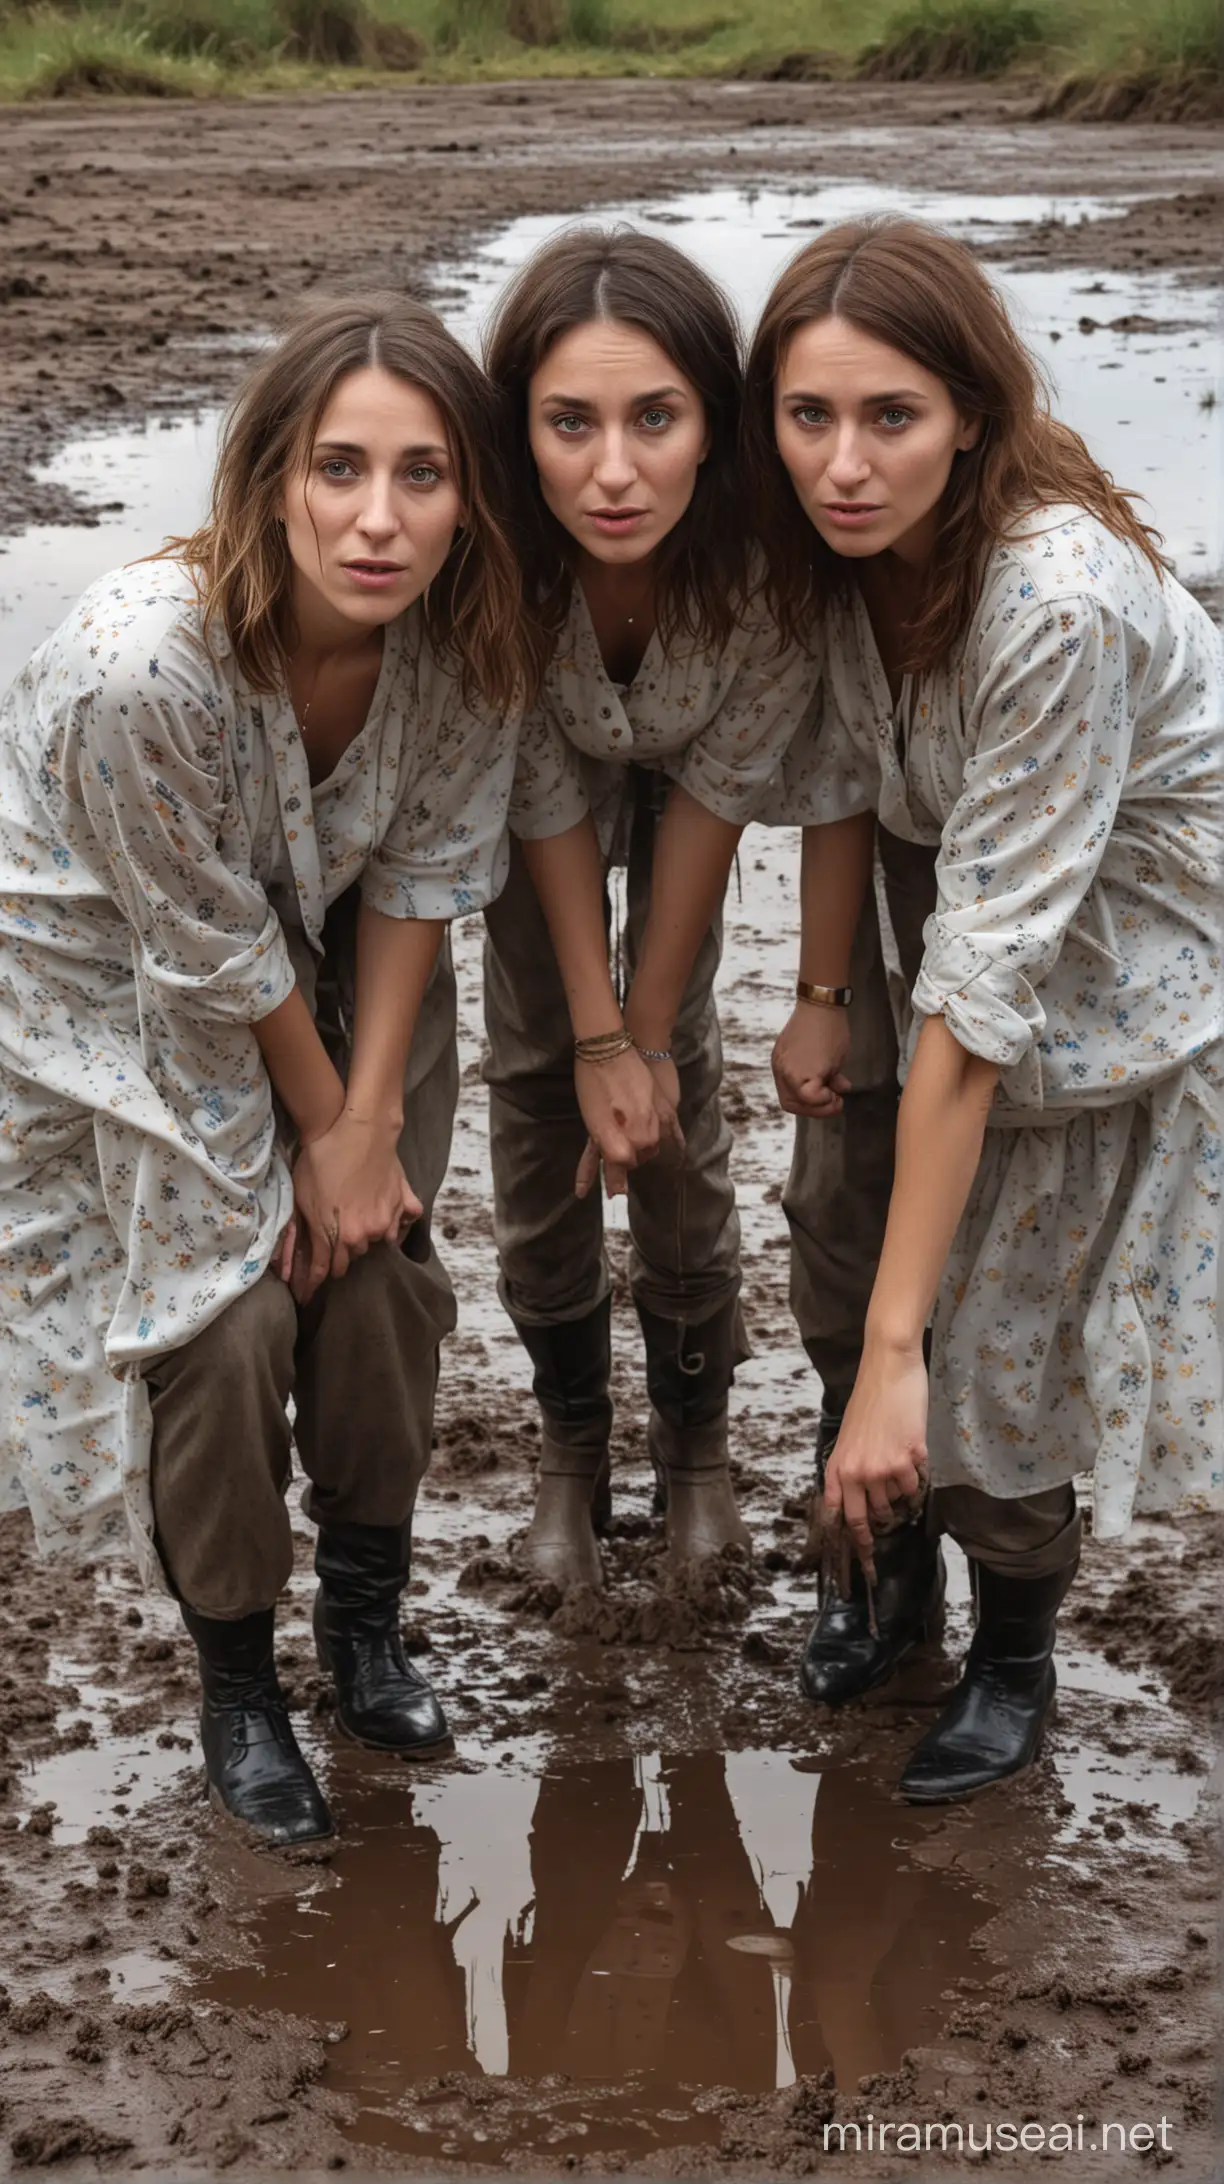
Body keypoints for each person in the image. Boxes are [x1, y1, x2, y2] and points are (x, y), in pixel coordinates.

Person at [0, 292, 535, 1844]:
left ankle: (365, 1624)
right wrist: (319, 1125)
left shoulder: (463, 653)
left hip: (299, 970)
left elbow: (429, 876)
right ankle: (238, 1680)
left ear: (468, 494)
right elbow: (203, 958)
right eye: (339, 468)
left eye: (424, 474)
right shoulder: (137, 672)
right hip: (108, 1002)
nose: (379, 520)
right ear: (268, 480)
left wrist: (364, 1132)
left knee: (377, 1270)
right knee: (224, 1321)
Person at [745, 217, 1224, 1800]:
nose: (845, 464)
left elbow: (988, 980)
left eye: (892, 418)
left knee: (997, 1330)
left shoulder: (1057, 600)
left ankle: (1015, 1647)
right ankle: (890, 1580)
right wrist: (822, 995)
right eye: (810, 417)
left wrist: (911, 1352)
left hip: (1107, 946)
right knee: (844, 1216)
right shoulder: (831, 546)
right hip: (930, 865)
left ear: (972, 411)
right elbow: (836, 766)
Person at [481, 227, 817, 1590]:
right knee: (536, 1075)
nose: (612, 472)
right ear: (521, 430)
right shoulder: (496, 553)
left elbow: (720, 799)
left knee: (682, 1087)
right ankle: (571, 1446)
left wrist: (650, 1031)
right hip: (530, 814)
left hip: (692, 796)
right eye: (569, 424)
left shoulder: (765, 571)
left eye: (654, 419)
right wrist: (594, 1032)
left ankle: (695, 1446)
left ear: (712, 425)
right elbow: (545, 793)